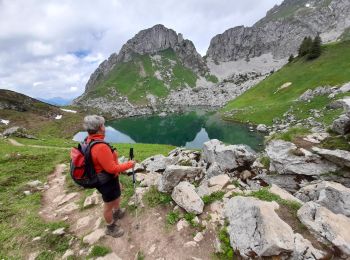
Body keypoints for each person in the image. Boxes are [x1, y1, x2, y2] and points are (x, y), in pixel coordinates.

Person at [83, 115, 135, 237]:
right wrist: (130, 164)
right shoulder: (100, 147)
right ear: (100, 127)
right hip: (106, 181)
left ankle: (117, 212)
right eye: (103, 125)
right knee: (108, 205)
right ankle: (110, 227)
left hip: (107, 179)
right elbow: (111, 168)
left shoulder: (90, 140)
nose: (105, 127)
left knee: (117, 193)